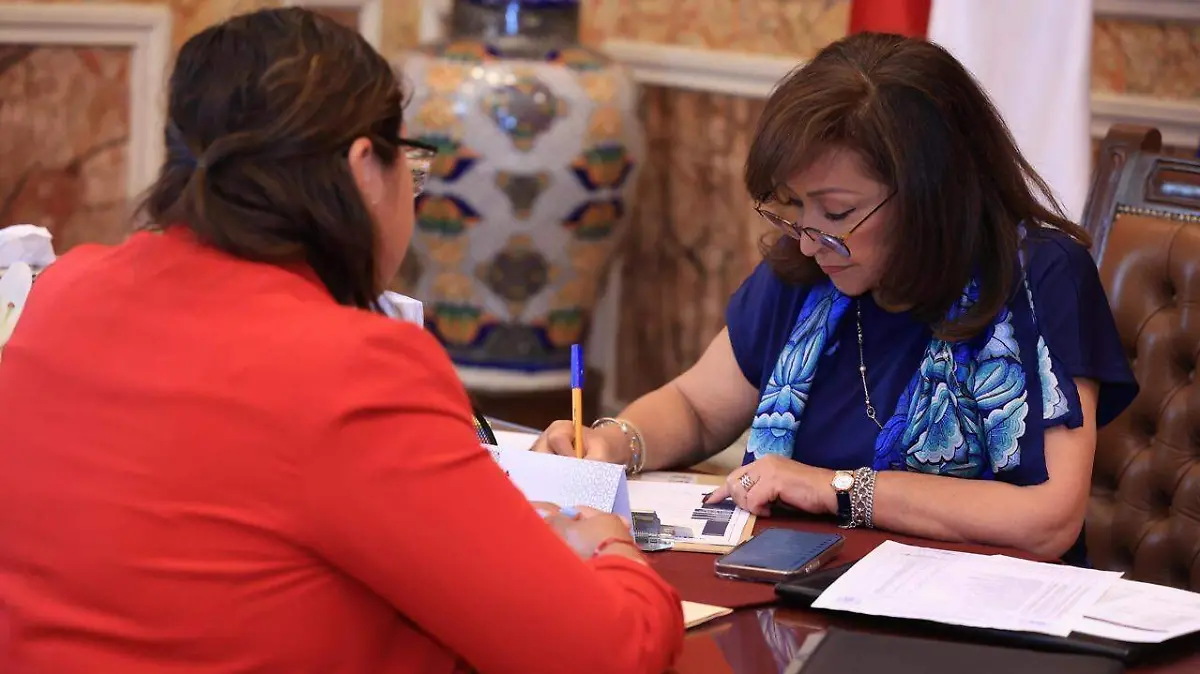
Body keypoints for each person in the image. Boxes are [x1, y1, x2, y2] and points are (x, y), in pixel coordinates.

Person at [0, 8, 682, 673]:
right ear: (364, 168)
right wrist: (612, 549)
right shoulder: (351, 366)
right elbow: (608, 651)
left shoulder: (66, 289)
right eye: (409, 170)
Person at [534, 32, 1138, 565]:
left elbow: (1048, 519)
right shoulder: (808, 267)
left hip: (979, 624)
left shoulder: (1038, 279)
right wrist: (615, 443)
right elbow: (696, 406)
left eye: (838, 212)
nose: (809, 237)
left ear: (930, 194)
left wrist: (835, 489)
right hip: (801, 591)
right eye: (795, 207)